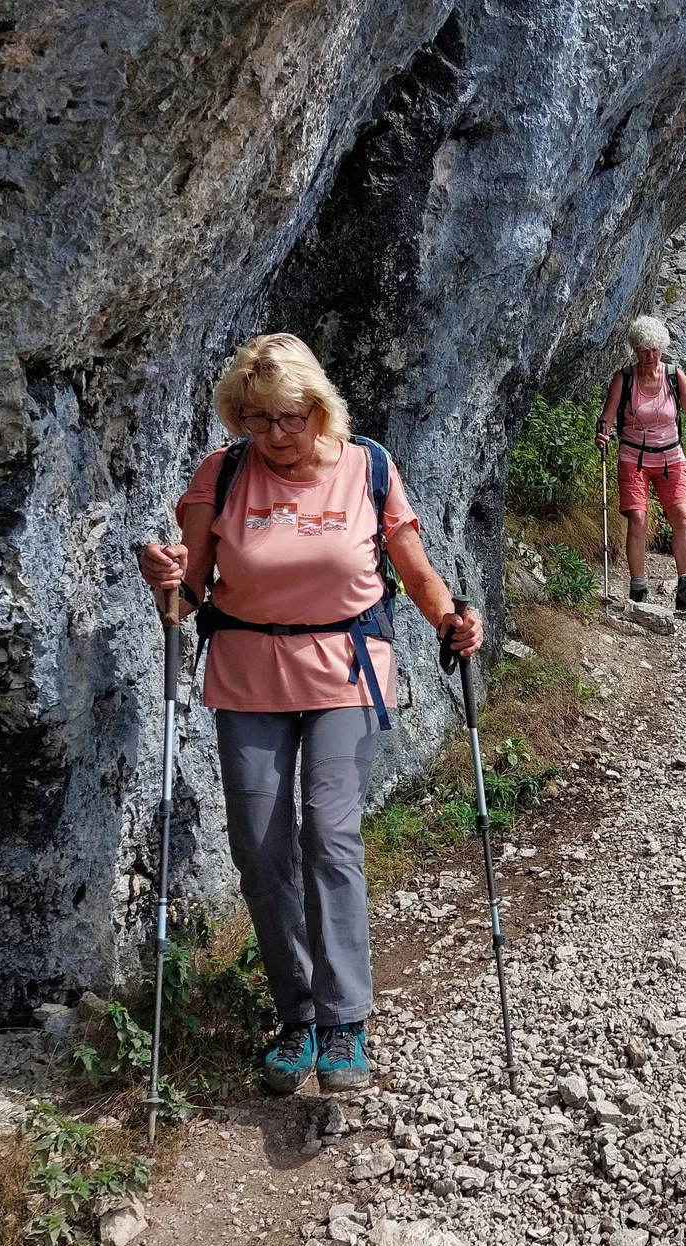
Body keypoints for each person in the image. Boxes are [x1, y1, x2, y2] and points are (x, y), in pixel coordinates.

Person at [137, 333, 482, 1096]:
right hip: (246, 674)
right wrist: (158, 575)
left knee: (329, 831)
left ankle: (344, 1020)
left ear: (318, 407)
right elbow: (184, 600)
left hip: (345, 670)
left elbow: (413, 570)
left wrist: (453, 619)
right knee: (260, 850)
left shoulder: (369, 467)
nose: (273, 434)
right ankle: (297, 1015)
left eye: (288, 417)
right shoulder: (222, 474)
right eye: (256, 419)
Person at [595, 315, 686, 612]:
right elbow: (606, 417)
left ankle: (685, 587)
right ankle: (638, 589)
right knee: (638, 518)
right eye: (644, 350)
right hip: (633, 458)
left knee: (681, 515)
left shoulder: (674, 376)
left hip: (670, 457)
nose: (650, 356)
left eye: (655, 349)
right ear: (635, 349)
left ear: (662, 348)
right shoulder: (624, 378)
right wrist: (602, 434)